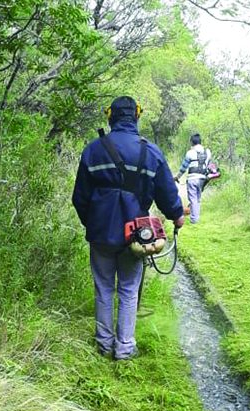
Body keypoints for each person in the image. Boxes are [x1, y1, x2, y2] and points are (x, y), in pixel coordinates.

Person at [72, 96, 185, 360]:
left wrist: (94, 222)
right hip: (137, 235)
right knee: (128, 288)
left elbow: (80, 198)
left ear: (110, 116)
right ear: (136, 116)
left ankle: (103, 344)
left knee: (103, 287)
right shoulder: (151, 152)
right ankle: (124, 348)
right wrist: (177, 215)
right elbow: (168, 194)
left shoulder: (93, 150)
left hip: (101, 232)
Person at [176, 133, 211, 224]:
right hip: (202, 178)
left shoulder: (190, 153)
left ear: (192, 142)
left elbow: (183, 167)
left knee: (193, 198)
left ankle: (194, 219)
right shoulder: (207, 152)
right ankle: (196, 217)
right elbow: (207, 165)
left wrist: (177, 177)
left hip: (192, 178)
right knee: (198, 198)